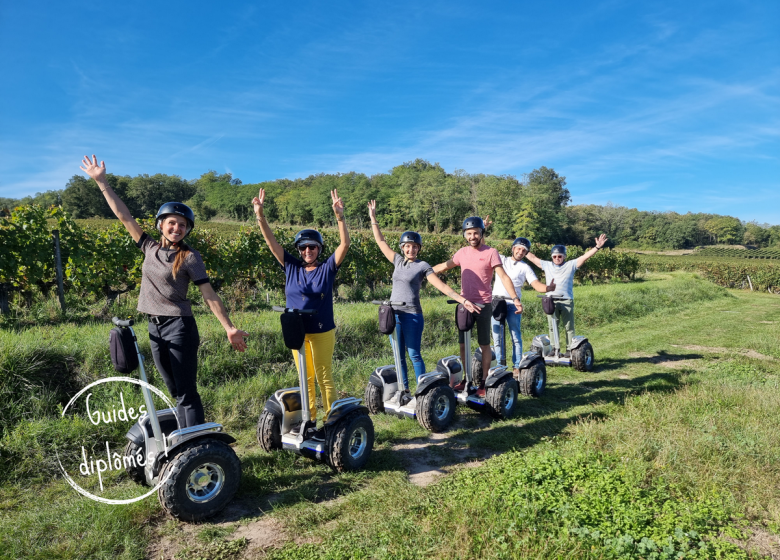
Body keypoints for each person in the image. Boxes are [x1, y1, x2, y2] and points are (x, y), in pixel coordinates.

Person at [79, 155, 249, 428]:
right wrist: (102, 183)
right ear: (161, 224)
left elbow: (209, 294)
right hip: (154, 327)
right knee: (173, 390)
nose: (177, 228)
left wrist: (229, 327)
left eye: (182, 225)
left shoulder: (190, 257)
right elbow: (124, 216)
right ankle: (186, 441)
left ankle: (195, 446)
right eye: (172, 223)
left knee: (186, 392)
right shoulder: (149, 248)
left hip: (179, 327)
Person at [252, 188, 349, 439]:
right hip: (297, 331)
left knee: (324, 375)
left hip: (322, 330)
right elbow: (270, 242)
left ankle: (331, 421)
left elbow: (345, 244)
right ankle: (310, 420)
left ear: (319, 249)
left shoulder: (327, 268)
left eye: (313, 248)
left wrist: (340, 217)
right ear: (299, 249)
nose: (308, 251)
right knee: (305, 378)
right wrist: (260, 216)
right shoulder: (291, 266)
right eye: (304, 247)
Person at [367, 201, 479, 399]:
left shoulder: (422, 266)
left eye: (415, 247)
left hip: (412, 315)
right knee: (398, 356)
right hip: (395, 315)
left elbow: (441, 285)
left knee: (414, 354)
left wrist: (461, 299)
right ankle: (404, 390)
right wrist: (373, 218)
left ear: (418, 249)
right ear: (402, 247)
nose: (411, 250)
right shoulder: (397, 261)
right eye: (407, 246)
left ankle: (423, 392)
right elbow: (381, 242)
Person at [431, 216, 523, 389]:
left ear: (482, 233)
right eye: (469, 233)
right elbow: (444, 266)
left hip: (483, 305)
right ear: (465, 235)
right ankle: (467, 379)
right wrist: (423, 270)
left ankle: (483, 382)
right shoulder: (462, 253)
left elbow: (503, 276)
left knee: (484, 344)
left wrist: (515, 299)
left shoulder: (491, 252)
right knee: (463, 344)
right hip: (464, 305)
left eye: (476, 233)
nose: (472, 236)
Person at [524, 234, 608, 356]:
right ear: (552, 257)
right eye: (555, 256)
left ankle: (570, 349)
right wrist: (520, 246)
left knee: (569, 327)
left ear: (564, 257)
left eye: (560, 256)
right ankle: (554, 349)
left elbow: (585, 257)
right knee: (553, 326)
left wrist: (597, 247)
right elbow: (532, 258)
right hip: (551, 301)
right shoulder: (546, 265)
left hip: (566, 300)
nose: (557, 258)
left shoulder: (571, 265)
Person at [491, 237, 555, 376]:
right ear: (513, 248)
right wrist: (483, 229)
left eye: (524, 250)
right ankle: (500, 367)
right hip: (497, 302)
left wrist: (548, 288)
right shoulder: (501, 259)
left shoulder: (525, 267)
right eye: (518, 249)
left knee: (515, 336)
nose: (520, 252)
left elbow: (536, 284)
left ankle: (517, 366)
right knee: (497, 337)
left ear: (526, 253)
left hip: (514, 304)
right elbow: (484, 248)